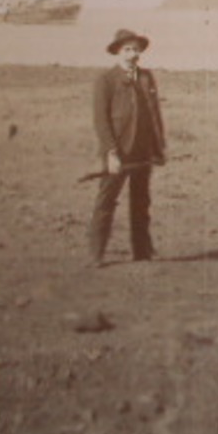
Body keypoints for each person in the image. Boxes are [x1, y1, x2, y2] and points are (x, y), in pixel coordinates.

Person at [89, 28, 166, 266]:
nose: (133, 54)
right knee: (106, 201)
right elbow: (101, 119)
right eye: (127, 49)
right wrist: (111, 152)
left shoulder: (146, 77)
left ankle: (141, 252)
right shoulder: (106, 80)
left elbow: (154, 114)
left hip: (143, 151)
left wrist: (158, 148)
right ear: (118, 52)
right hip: (119, 152)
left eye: (136, 49)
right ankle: (96, 254)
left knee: (141, 202)